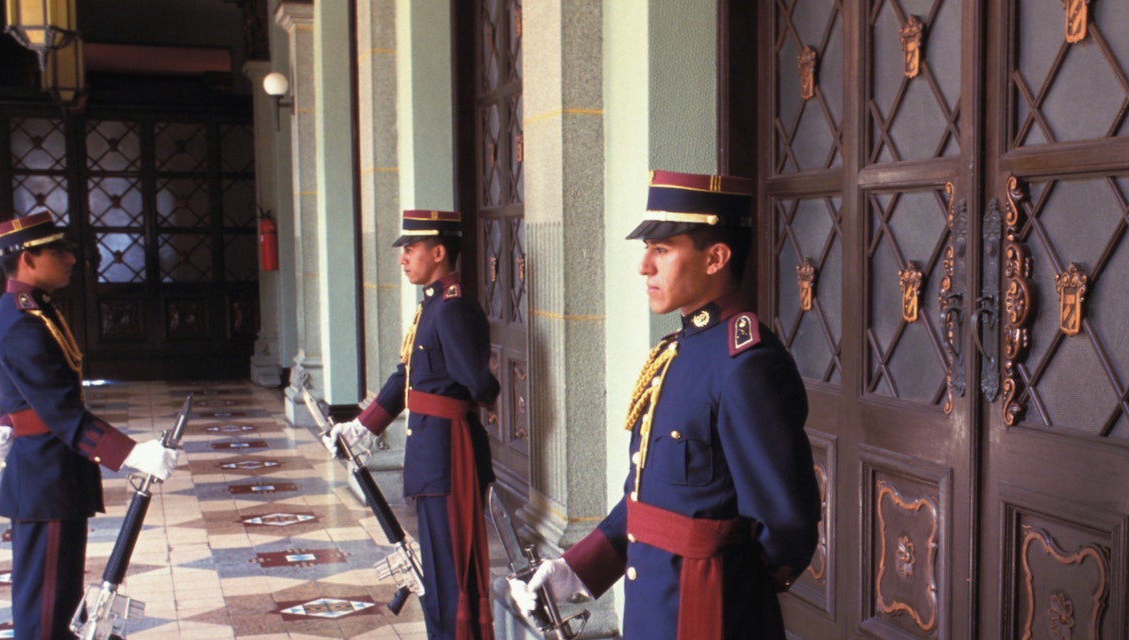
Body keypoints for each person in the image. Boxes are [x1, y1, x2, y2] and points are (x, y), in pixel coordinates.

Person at [511, 170, 820, 639]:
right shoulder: (674, 352)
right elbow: (647, 502)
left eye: (661, 249)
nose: (644, 266)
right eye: (647, 249)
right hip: (652, 610)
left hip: (709, 612)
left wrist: (737, 582)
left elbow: (786, 521)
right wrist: (575, 569)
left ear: (715, 258)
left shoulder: (747, 364)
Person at [0, 210, 183, 639]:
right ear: (28, 259)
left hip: (51, 472)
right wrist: (132, 454)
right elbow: (60, 411)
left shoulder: (31, 309)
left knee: (59, 597)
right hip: (45, 477)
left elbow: (30, 386)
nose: (71, 259)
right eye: (58, 251)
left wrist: (7, 419)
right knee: (47, 609)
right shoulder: (21, 322)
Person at [329, 209, 500, 640]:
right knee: (438, 578)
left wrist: (482, 388)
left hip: (451, 457)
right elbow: (406, 376)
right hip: (433, 456)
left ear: (438, 252)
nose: (402, 258)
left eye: (411, 248)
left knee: (452, 577)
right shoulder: (432, 306)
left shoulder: (452, 309)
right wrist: (362, 426)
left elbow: (480, 385)